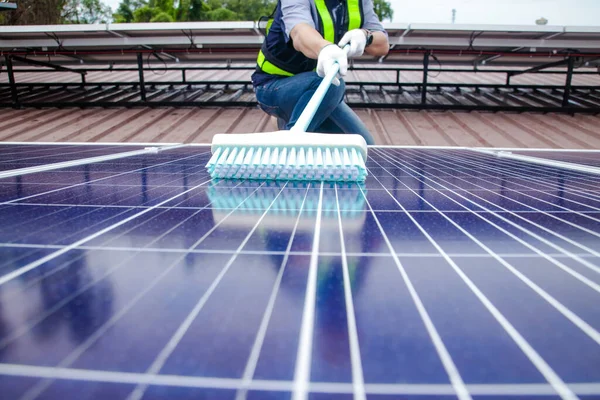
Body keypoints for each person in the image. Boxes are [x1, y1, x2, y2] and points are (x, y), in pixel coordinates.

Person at [252, 0, 390, 145]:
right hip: (272, 86)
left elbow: (382, 45)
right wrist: (324, 48)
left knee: (365, 148)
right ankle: (290, 147)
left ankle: (289, 120)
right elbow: (299, 32)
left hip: (318, 90)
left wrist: (365, 35)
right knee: (333, 85)